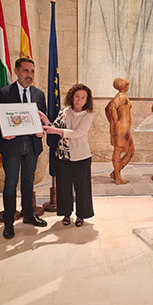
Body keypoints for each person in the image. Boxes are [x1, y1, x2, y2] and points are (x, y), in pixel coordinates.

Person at [0, 58, 47, 240]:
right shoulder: (5, 93)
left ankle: (29, 215)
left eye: (32, 71)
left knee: (28, 183)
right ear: (16, 71)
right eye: (25, 71)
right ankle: (9, 221)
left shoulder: (39, 94)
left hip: (32, 147)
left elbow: (43, 119)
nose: (29, 75)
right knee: (10, 184)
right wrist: (3, 133)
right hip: (11, 147)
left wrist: (42, 132)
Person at [40, 84, 94, 227]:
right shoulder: (64, 111)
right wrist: (45, 120)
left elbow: (78, 133)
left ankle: (81, 215)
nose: (79, 100)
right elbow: (55, 126)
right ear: (72, 96)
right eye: (77, 96)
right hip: (63, 157)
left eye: (83, 98)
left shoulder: (88, 115)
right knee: (63, 187)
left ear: (87, 100)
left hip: (81, 157)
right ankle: (66, 214)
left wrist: (57, 131)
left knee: (82, 188)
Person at [105, 78, 134, 184]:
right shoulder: (122, 97)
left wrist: (113, 122)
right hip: (122, 129)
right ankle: (117, 177)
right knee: (120, 151)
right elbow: (111, 108)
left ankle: (115, 173)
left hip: (123, 128)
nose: (128, 85)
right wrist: (116, 122)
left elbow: (107, 108)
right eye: (127, 84)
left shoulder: (119, 96)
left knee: (130, 151)